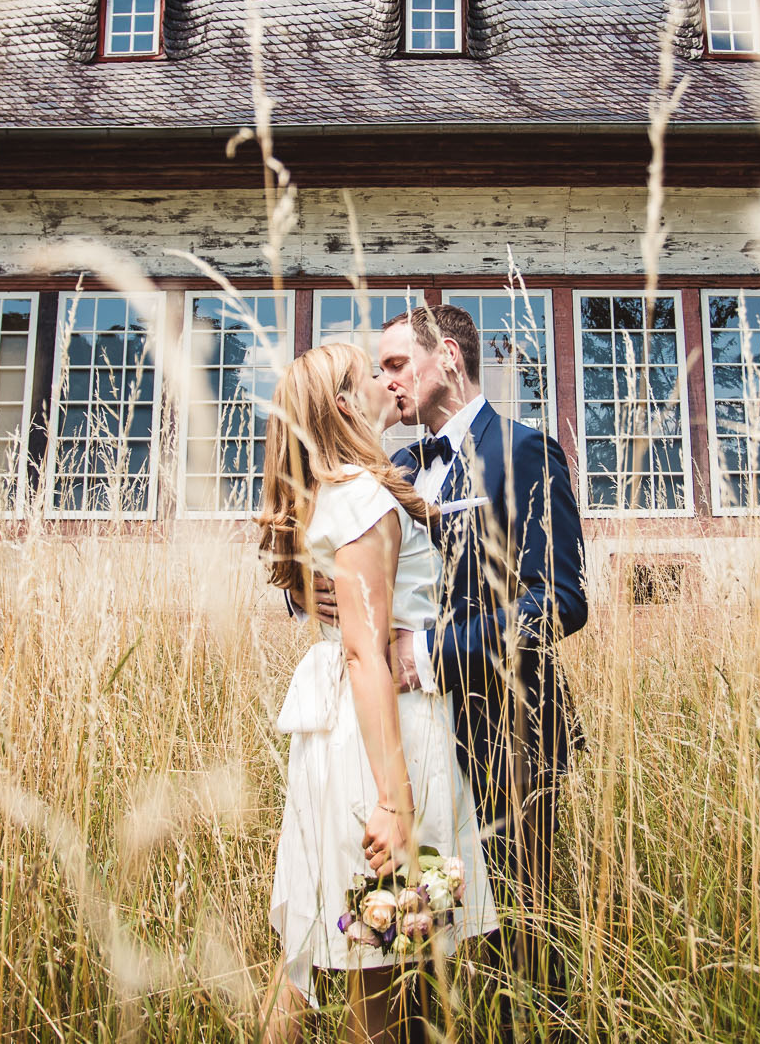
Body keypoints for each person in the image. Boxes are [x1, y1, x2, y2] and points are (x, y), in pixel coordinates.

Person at [300, 303, 588, 1011]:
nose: (386, 380)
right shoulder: (391, 464)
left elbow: (560, 599)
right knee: (419, 946)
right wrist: (311, 590)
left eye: (397, 364)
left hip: (507, 734)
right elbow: (341, 559)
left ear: (449, 359)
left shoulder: (525, 450)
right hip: (416, 742)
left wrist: (431, 649)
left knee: (523, 937)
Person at [259, 342, 499, 1044]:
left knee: (366, 953)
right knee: (387, 953)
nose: (383, 379)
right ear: (343, 402)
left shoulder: (344, 488)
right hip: (384, 732)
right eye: (370, 371)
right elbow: (367, 653)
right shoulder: (361, 496)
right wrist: (395, 800)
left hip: (355, 728)